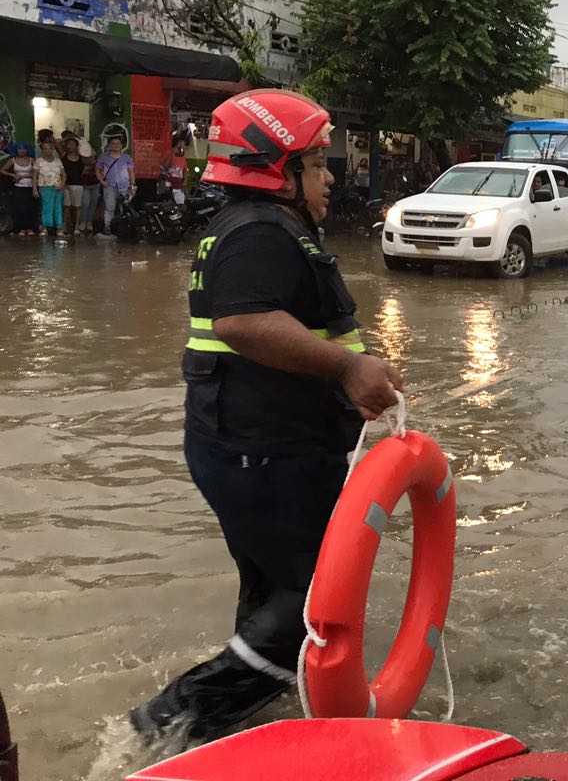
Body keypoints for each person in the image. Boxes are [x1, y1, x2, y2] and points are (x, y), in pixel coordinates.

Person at [130, 89, 402, 746]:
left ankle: (228, 734)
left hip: (253, 448)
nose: (329, 175)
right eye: (315, 163)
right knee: (315, 602)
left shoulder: (258, 228)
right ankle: (168, 722)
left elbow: (290, 321)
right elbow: (245, 322)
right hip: (266, 452)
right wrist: (346, 369)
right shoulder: (258, 231)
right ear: (274, 168)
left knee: (273, 591)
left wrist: (361, 358)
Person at [96, 133, 135, 237]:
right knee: (109, 208)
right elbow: (97, 170)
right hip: (109, 186)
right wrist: (101, 181)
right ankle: (108, 228)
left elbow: (131, 172)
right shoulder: (104, 157)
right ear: (109, 145)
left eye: (118, 143)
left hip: (124, 186)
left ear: (121, 145)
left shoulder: (127, 157)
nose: (116, 145)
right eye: (113, 143)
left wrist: (133, 186)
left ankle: (123, 229)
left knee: (124, 208)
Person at [1, 144, 37, 236]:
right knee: (20, 208)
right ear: (16, 150)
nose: (22, 151)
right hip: (18, 187)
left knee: (30, 208)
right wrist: (12, 175)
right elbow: (2, 170)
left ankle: (30, 228)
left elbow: (35, 173)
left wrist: (23, 176)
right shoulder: (12, 160)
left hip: (30, 186)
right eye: (20, 149)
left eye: (24, 149)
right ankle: (20, 228)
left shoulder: (32, 160)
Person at [35, 136, 66, 240]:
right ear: (42, 150)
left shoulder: (57, 161)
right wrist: (34, 189)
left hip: (57, 187)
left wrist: (62, 185)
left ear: (53, 150)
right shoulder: (39, 161)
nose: (47, 151)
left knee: (57, 207)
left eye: (50, 148)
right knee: (46, 207)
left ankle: (59, 227)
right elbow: (34, 175)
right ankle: (45, 227)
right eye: (45, 148)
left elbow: (63, 174)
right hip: (44, 186)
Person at [61, 134, 86, 234]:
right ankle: (64, 227)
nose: (70, 146)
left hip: (78, 184)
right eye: (69, 144)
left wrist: (79, 140)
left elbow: (91, 156)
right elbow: (57, 143)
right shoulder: (63, 155)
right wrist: (69, 137)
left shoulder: (81, 158)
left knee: (77, 207)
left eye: (73, 144)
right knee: (66, 206)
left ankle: (76, 227)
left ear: (77, 146)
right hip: (66, 184)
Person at [160, 130, 190, 205]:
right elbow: (164, 166)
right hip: (168, 185)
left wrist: (185, 181)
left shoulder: (182, 158)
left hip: (178, 186)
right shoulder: (169, 153)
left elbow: (185, 170)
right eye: (182, 144)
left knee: (180, 204)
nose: (183, 146)